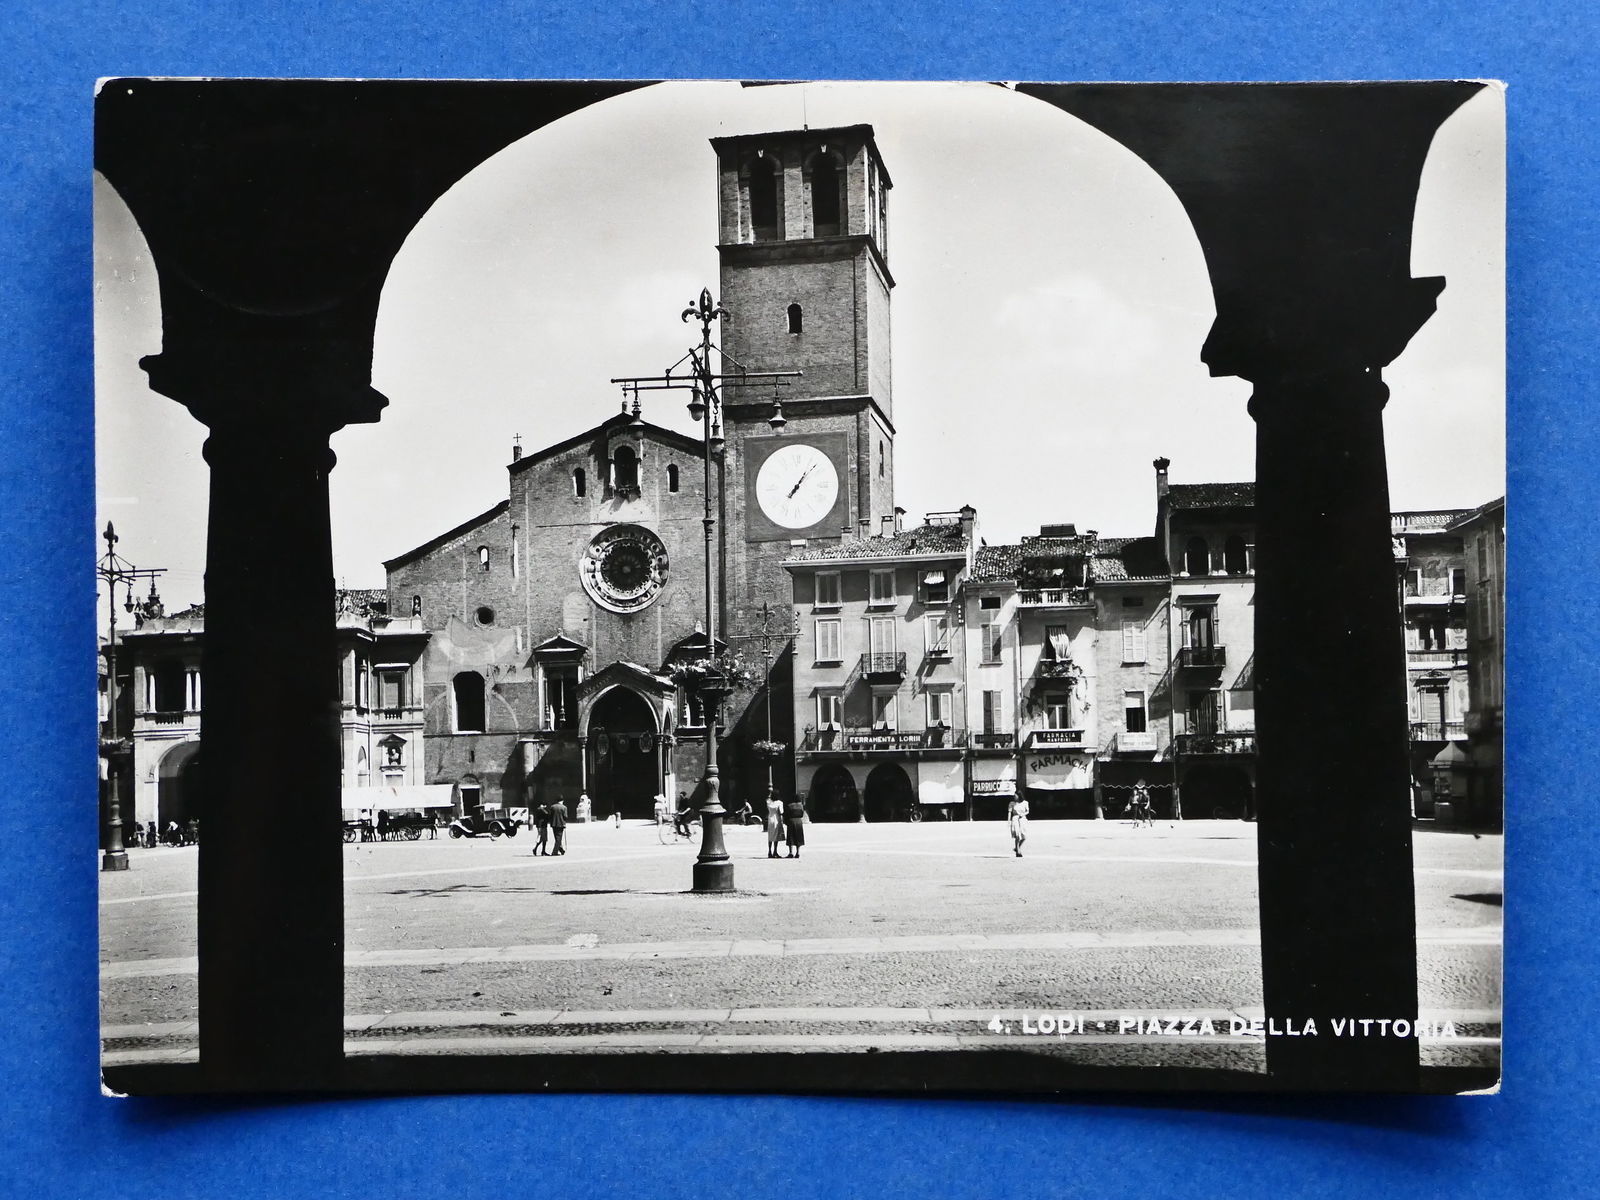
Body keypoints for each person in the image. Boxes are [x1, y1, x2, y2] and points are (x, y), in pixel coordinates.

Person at [782, 795, 806, 859]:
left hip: (791, 821)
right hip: (798, 821)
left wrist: (786, 822)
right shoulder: (801, 806)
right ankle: (798, 852)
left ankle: (791, 852)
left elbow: (786, 814)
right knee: (798, 837)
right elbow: (802, 814)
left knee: (790, 837)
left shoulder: (790, 806)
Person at [765, 792, 785, 859]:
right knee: (776, 836)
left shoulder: (768, 802)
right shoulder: (780, 803)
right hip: (777, 819)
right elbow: (781, 812)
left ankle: (769, 851)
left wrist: (769, 795)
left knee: (770, 836)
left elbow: (767, 798)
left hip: (770, 819)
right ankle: (775, 851)